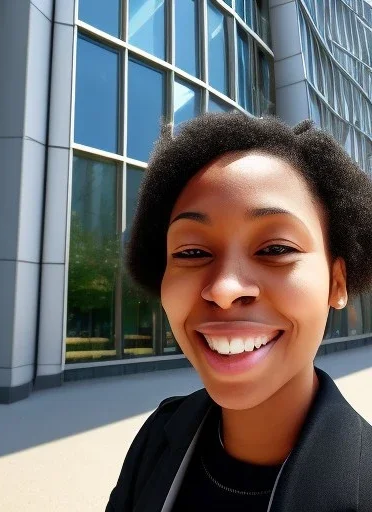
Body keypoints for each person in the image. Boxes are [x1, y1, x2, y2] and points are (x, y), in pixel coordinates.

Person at [106, 112, 372, 511]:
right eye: (192, 252)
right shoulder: (159, 434)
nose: (225, 290)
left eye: (276, 249)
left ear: (337, 283)